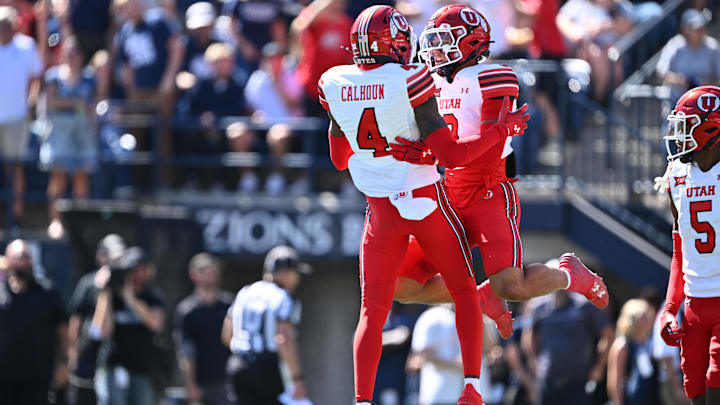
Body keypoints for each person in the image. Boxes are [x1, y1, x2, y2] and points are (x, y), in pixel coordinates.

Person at [318, 5, 530, 403]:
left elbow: (339, 158)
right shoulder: (413, 77)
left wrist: (377, 150)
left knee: (372, 310)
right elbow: (450, 154)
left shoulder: (333, 80)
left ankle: (362, 399)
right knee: (465, 289)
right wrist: (501, 129)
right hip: (425, 202)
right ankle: (471, 387)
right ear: (398, 42)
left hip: (380, 212)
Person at [387, 4, 609, 339]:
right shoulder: (426, 82)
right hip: (446, 190)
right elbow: (434, 145)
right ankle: (479, 297)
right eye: (431, 40)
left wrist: (432, 151)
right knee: (399, 283)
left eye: (444, 39)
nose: (433, 49)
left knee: (512, 286)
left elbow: (484, 146)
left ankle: (569, 273)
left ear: (471, 42)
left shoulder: (494, 75)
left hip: (487, 189)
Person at [657, 85, 720, 405]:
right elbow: (680, 251)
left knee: (715, 388)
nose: (678, 136)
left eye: (686, 127)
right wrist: (670, 308)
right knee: (694, 392)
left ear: (710, 129)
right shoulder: (676, 174)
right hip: (694, 304)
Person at [222, 245, 312, 405]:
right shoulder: (284, 298)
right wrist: (297, 378)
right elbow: (283, 339)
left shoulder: (245, 292)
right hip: (266, 368)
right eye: (295, 273)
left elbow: (227, 335)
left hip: (238, 365)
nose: (297, 279)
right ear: (287, 272)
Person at [42, 36, 98, 240]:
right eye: (68, 53)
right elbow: (53, 103)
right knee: (58, 176)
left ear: (81, 57)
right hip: (60, 132)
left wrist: (73, 105)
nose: (72, 58)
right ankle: (56, 221)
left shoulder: (90, 77)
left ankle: (79, 222)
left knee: (81, 176)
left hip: (82, 131)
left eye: (75, 54)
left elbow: (93, 104)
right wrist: (78, 104)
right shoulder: (53, 76)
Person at [0, 239, 69, 405]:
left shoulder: (48, 293)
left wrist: (64, 365)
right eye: (21, 256)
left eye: (29, 257)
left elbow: (63, 331)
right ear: (8, 261)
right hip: (4, 379)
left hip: (37, 378)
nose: (27, 261)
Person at [94, 247, 165, 405]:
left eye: (142, 269)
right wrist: (105, 291)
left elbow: (156, 324)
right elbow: (102, 331)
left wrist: (130, 298)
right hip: (113, 364)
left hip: (141, 368)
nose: (138, 275)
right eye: (133, 270)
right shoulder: (111, 296)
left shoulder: (152, 297)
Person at [523, 290, 613, 405]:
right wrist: (534, 361)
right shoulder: (539, 306)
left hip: (578, 383)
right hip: (548, 381)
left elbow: (608, 334)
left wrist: (599, 366)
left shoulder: (585, 305)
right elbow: (529, 335)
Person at [66, 234, 126, 405]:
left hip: (116, 359)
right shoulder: (88, 283)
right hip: (89, 354)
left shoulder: (127, 285)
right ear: (101, 257)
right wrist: (72, 351)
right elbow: (77, 319)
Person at [174, 253, 235, 405]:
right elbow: (186, 351)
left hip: (228, 382)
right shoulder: (187, 311)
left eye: (214, 272)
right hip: (202, 385)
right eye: (206, 272)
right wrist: (191, 385)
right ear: (194, 275)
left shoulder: (229, 306)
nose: (211, 277)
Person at [0, 6, 42, 222]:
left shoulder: (27, 47)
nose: (4, 29)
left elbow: (37, 75)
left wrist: (31, 100)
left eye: (8, 24)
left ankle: (16, 215)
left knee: (15, 166)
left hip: (17, 116)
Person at [656, 9, 720, 102]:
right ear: (685, 29)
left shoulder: (712, 47)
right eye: (696, 29)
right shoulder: (675, 45)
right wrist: (679, 80)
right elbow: (661, 72)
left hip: (704, 104)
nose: (701, 32)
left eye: (702, 28)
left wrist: (708, 82)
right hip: (676, 102)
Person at [607, 298, 660, 405]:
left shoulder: (649, 342)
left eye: (648, 316)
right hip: (630, 399)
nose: (648, 320)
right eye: (643, 317)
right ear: (632, 319)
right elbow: (615, 380)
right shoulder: (622, 345)